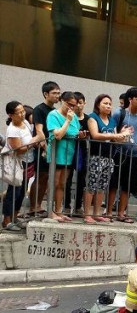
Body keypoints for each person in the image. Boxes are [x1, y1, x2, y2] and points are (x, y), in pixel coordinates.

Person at [83, 94, 130, 224]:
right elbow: (95, 135)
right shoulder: (93, 118)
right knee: (91, 185)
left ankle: (97, 213)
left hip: (109, 157)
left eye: (110, 103)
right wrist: (116, 134)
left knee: (102, 186)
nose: (108, 106)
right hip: (95, 156)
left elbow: (115, 139)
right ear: (98, 104)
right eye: (105, 103)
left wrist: (123, 136)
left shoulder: (112, 121)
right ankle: (87, 214)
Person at [107, 87, 137, 223]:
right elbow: (110, 131)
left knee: (127, 186)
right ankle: (108, 212)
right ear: (130, 99)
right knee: (113, 183)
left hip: (135, 156)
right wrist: (120, 135)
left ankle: (121, 213)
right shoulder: (120, 113)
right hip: (118, 153)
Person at [2, 102, 38, 231]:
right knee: (13, 192)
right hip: (17, 163)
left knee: (22, 191)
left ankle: (14, 217)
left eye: (23, 111)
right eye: (19, 112)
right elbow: (18, 149)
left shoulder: (26, 123)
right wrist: (33, 142)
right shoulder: (12, 129)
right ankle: (6, 220)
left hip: (28, 161)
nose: (23, 114)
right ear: (11, 115)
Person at [46, 91, 81, 222]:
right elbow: (58, 135)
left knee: (62, 183)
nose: (71, 108)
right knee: (54, 183)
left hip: (69, 153)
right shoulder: (53, 115)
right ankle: (51, 211)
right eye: (69, 104)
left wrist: (79, 134)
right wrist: (67, 121)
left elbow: (74, 132)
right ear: (62, 101)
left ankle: (59, 211)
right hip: (56, 153)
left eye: (74, 105)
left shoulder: (74, 117)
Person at [28, 81, 60, 218]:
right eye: (54, 93)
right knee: (40, 176)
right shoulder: (39, 109)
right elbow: (39, 132)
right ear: (45, 94)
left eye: (58, 93)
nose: (57, 96)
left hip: (54, 149)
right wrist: (46, 149)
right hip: (43, 148)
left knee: (46, 177)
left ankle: (39, 205)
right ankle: (33, 206)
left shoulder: (56, 111)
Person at [63, 91, 89, 216]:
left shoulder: (88, 119)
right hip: (69, 149)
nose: (78, 106)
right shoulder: (69, 117)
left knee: (81, 179)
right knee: (67, 179)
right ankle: (66, 205)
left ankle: (78, 206)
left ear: (84, 103)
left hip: (82, 151)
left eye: (80, 103)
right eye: (75, 103)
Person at [51, 0, 82, 76]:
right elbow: (55, 12)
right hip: (64, 31)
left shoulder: (77, 3)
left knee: (72, 61)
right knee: (61, 58)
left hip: (74, 32)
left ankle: (70, 76)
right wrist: (59, 29)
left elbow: (78, 20)